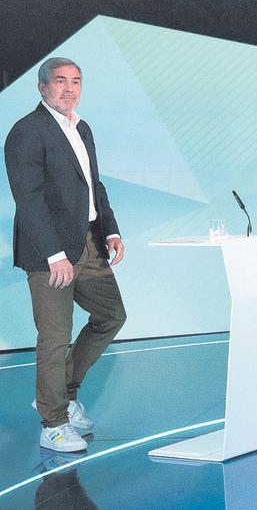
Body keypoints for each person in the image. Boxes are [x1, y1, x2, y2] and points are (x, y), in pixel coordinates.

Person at [5, 57, 128, 452]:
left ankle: (62, 392)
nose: (69, 89)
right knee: (54, 338)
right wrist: (55, 254)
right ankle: (53, 422)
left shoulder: (82, 127)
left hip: (88, 243)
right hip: (50, 254)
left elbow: (94, 184)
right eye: (60, 81)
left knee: (111, 315)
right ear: (42, 87)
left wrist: (110, 228)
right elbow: (29, 199)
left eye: (76, 81)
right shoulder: (27, 132)